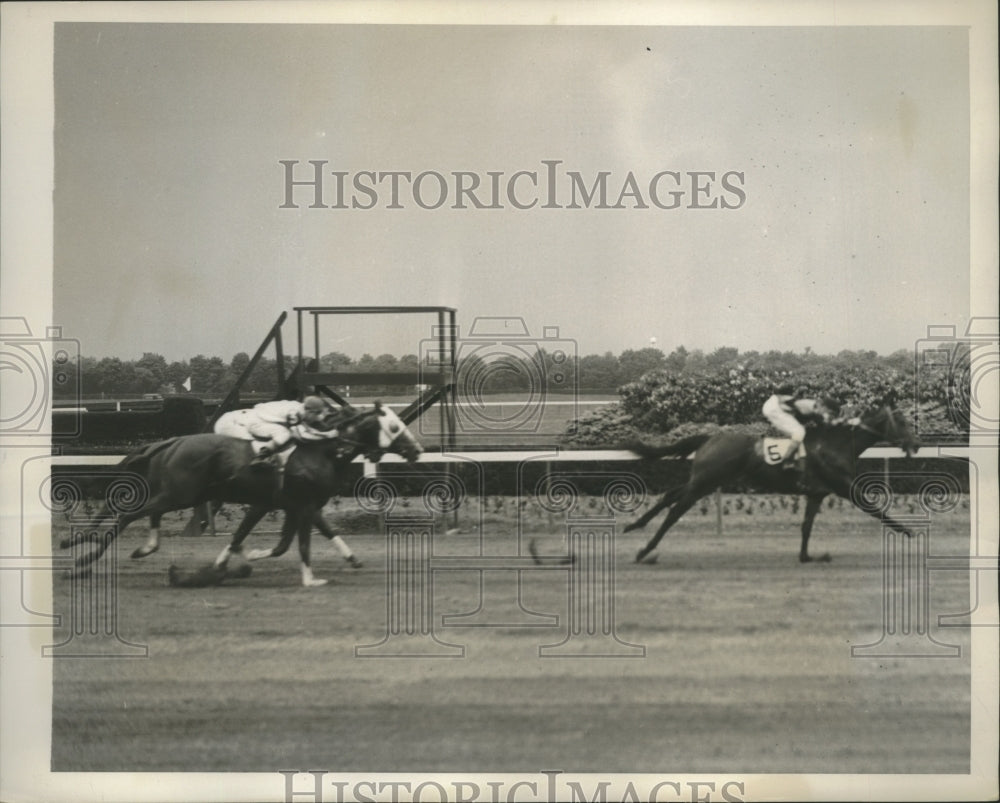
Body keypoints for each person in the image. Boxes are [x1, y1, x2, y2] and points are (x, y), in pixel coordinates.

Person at [214, 395, 340, 467]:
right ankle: (261, 457)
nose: (315, 420)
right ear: (310, 411)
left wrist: (324, 434)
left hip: (249, 417)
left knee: (283, 432)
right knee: (284, 434)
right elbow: (301, 435)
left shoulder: (299, 408)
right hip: (241, 422)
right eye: (316, 416)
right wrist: (327, 436)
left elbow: (307, 429)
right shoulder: (295, 413)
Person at [762, 386, 840, 468]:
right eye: (829, 413)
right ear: (823, 406)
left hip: (777, 409)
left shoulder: (815, 408)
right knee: (800, 432)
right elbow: (791, 411)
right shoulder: (807, 406)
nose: (828, 416)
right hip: (774, 409)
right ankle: (787, 460)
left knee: (802, 433)